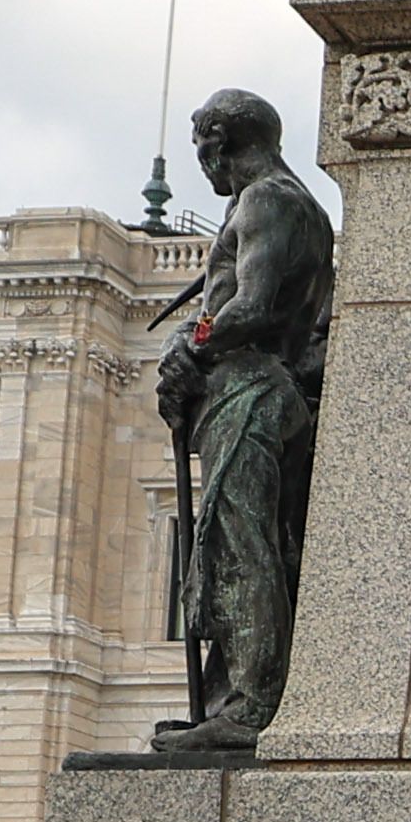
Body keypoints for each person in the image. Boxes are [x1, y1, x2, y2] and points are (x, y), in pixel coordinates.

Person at [150, 90, 332, 751]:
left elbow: (251, 306)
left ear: (220, 138)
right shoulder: (287, 205)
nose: (204, 165)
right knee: (240, 546)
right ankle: (228, 696)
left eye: (203, 148)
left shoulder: (267, 200)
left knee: (239, 545)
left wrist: (190, 346)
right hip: (256, 390)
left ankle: (250, 705)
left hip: (251, 387)